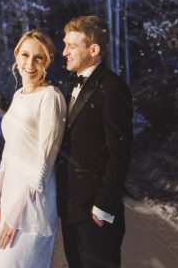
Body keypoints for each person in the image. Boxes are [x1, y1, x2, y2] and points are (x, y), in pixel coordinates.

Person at [0, 29, 67, 268]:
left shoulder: (50, 97)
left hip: (32, 206)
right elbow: (8, 154)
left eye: (38, 57)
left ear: (47, 62)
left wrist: (16, 215)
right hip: (9, 201)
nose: (30, 63)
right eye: (25, 55)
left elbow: (44, 161)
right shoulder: (19, 95)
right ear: (16, 56)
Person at [56, 15, 133, 268]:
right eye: (65, 44)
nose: (64, 51)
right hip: (71, 208)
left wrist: (104, 205)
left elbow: (119, 152)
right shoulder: (69, 85)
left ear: (94, 50)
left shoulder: (113, 87)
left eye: (71, 46)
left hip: (96, 211)